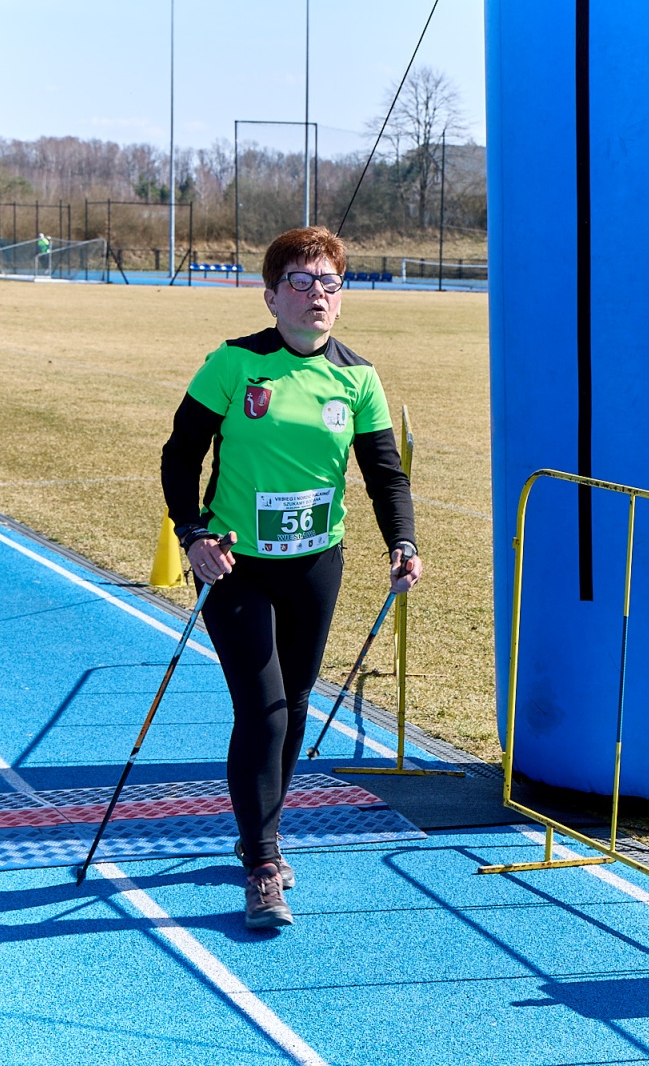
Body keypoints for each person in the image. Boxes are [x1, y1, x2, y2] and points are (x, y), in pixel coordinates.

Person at [160, 226, 421, 930]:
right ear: (272, 294)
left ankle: (257, 830)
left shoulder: (358, 377)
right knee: (264, 708)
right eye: (301, 284)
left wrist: (403, 542)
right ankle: (265, 865)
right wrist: (194, 536)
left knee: (298, 703)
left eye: (329, 284)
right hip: (235, 564)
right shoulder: (233, 364)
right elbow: (180, 456)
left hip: (315, 564)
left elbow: (384, 476)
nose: (317, 296)